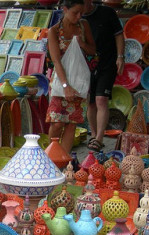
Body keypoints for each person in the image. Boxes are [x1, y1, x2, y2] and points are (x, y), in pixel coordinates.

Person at [46, 0, 96, 154]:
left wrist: (81, 44)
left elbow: (93, 50)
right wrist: (66, 86)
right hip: (60, 82)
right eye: (75, 13)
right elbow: (56, 61)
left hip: (80, 82)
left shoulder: (83, 26)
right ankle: (51, 157)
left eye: (82, 13)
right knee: (57, 124)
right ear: (65, 9)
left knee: (72, 124)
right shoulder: (54, 31)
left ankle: (63, 160)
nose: (79, 16)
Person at [83, 0, 125, 152]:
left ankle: (99, 138)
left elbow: (119, 35)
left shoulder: (107, 12)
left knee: (101, 99)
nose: (82, 8)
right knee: (91, 102)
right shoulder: (78, 17)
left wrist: (120, 56)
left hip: (107, 63)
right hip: (87, 65)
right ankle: (94, 135)